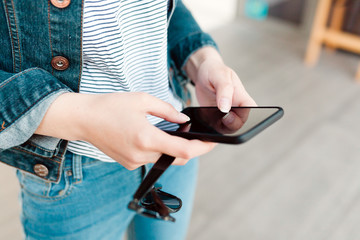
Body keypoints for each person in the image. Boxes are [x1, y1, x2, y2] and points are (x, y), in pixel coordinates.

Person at [0, 0, 255, 239]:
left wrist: (202, 61)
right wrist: (80, 118)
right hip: (76, 171)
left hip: (174, 137)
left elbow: (163, 9)